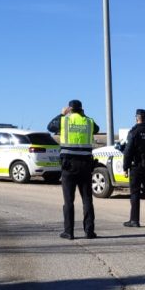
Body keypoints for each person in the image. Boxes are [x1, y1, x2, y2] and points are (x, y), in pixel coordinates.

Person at [55, 99, 97, 240]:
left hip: (69, 165)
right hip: (85, 165)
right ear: (82, 109)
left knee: (69, 201)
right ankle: (89, 231)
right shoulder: (88, 121)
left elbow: (50, 126)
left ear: (70, 109)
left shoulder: (64, 120)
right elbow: (96, 128)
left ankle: (69, 232)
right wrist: (83, 115)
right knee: (87, 200)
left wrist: (61, 114)